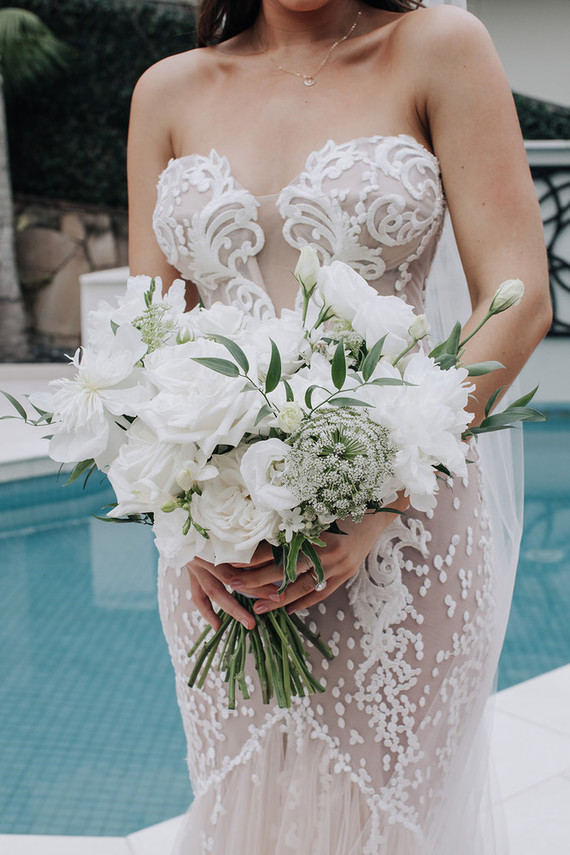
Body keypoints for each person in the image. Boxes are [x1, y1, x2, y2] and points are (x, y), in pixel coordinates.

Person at [127, 1, 551, 852]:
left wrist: (380, 495)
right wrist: (183, 515)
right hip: (222, 549)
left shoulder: (437, 48)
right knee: (245, 812)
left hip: (406, 531)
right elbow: (150, 333)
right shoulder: (166, 90)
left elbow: (516, 295)